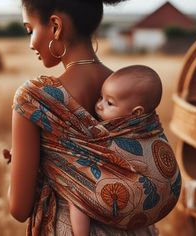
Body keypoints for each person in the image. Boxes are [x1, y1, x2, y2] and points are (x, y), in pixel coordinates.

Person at [5, 0, 181, 235]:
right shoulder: (131, 90)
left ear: (56, 26)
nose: (30, 43)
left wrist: (23, 166)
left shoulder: (33, 99)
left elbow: (19, 209)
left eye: (30, 30)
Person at [68, 64, 163, 235]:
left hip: (123, 194)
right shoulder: (146, 126)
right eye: (100, 98)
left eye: (109, 102)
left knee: (76, 193)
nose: (99, 105)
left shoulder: (124, 132)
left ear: (136, 114)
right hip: (134, 200)